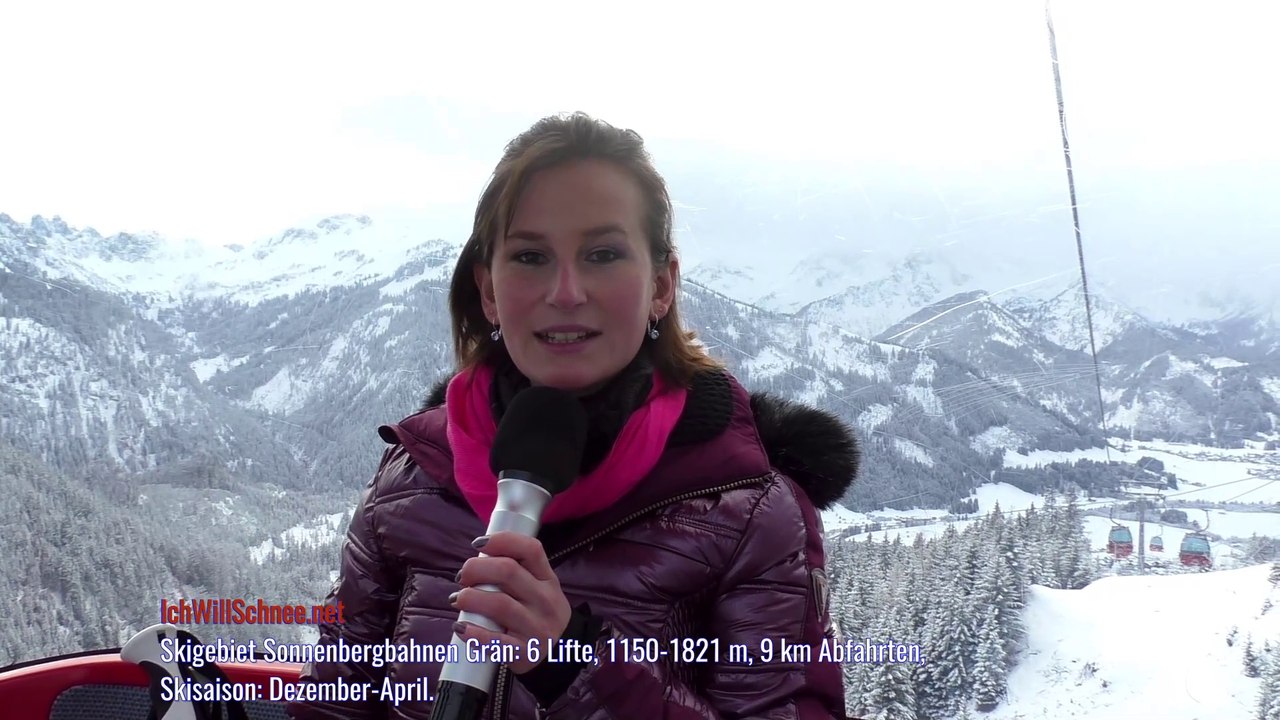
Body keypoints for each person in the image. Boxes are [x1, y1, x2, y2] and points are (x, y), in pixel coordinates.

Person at [286, 112, 860, 720]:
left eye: (603, 254)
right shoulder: (411, 476)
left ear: (661, 285)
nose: (565, 291)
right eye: (531, 256)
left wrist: (575, 663)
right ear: (488, 291)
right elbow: (335, 698)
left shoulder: (748, 510)